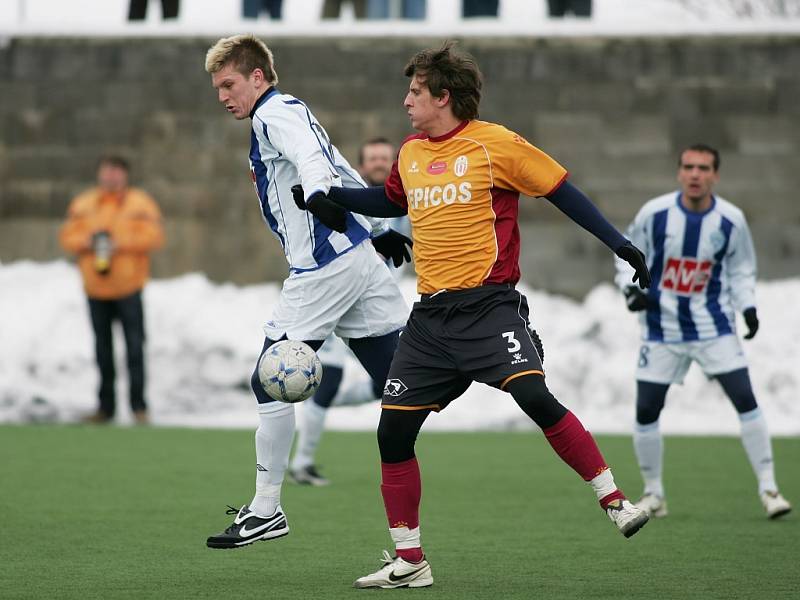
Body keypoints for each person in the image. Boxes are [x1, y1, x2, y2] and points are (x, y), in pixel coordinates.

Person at [293, 41, 652, 589]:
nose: (405, 100)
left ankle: (615, 500)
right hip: (430, 322)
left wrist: (620, 245)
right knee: (392, 432)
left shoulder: (496, 145)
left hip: (490, 307)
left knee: (534, 395)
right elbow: (392, 201)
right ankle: (410, 562)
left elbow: (562, 192)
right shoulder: (411, 151)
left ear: (444, 96)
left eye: (415, 91)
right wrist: (329, 199)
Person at [203, 34, 413, 549]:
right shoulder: (293, 110)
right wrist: (371, 227)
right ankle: (478, 361)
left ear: (258, 76)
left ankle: (265, 509)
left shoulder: (272, 113)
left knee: (267, 378)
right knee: (404, 381)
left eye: (229, 83)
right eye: (217, 88)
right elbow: (337, 164)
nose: (224, 95)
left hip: (324, 266)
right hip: (358, 256)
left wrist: (318, 197)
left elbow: (315, 166)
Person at [615, 143, 792, 521]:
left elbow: (742, 269)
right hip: (661, 328)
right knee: (646, 409)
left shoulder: (731, 220)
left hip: (713, 327)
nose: (696, 174)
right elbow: (628, 253)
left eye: (704, 168)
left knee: (745, 398)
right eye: (689, 167)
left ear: (715, 174)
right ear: (679, 172)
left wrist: (748, 307)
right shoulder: (655, 213)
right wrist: (630, 289)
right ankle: (654, 493)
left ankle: (769, 489)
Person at [288, 137, 409, 487]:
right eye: (371, 159)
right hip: (341, 301)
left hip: (378, 304)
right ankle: (302, 463)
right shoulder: (347, 198)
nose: (378, 164)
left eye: (385, 158)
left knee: (389, 383)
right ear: (361, 163)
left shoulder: (404, 204)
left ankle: (321, 405)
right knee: (333, 374)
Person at [59, 155, 164, 425]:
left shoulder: (140, 203)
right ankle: (105, 407)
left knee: (134, 349)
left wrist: (120, 242)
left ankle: (139, 407)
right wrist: (88, 241)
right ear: (99, 174)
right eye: (107, 172)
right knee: (102, 350)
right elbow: (67, 236)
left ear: (125, 176)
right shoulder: (84, 204)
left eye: (116, 173)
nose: (111, 178)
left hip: (129, 288)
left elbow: (154, 236)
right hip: (96, 289)